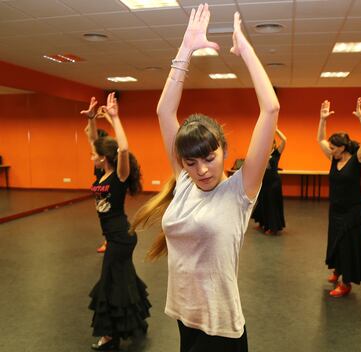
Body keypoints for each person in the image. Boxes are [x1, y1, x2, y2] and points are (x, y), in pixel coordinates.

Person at [131, 4, 279, 351]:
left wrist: (246, 51)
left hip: (222, 331)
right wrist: (186, 48)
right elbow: (164, 111)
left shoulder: (239, 191)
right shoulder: (184, 181)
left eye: (210, 158)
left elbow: (270, 109)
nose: (202, 170)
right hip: (187, 319)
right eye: (192, 162)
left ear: (223, 150)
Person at [80, 93, 151, 350]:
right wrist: (91, 119)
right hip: (115, 237)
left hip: (120, 238)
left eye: (94, 155)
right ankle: (135, 321)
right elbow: (92, 139)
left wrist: (115, 118)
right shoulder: (101, 171)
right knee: (124, 279)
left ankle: (110, 335)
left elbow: (123, 149)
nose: (92, 156)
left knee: (109, 283)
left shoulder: (119, 175)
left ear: (103, 157)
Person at [317, 97, 361, 298]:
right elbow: (320, 140)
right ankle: (337, 270)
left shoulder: (357, 159)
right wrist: (323, 120)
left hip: (352, 210)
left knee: (347, 244)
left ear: (342, 147)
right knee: (336, 241)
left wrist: (360, 116)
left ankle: (346, 283)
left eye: (333, 148)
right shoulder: (334, 158)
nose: (330, 150)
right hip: (336, 210)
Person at [252, 129, 286, 235]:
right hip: (264, 182)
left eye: (271, 142)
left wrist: (275, 129)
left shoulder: (276, 153)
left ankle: (272, 227)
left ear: (274, 144)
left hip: (274, 183)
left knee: (271, 204)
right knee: (262, 202)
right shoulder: (262, 153)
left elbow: (285, 140)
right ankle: (263, 223)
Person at [85, 125, 111, 254]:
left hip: (106, 188)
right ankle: (108, 240)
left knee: (108, 215)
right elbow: (89, 134)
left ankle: (109, 241)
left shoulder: (106, 160)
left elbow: (92, 138)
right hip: (100, 186)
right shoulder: (98, 159)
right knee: (102, 215)